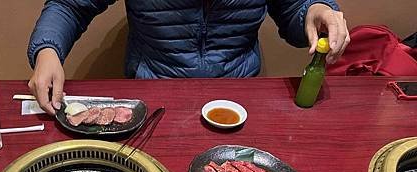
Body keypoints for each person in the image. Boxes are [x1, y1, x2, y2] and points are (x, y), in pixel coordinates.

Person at [27, 1, 350, 115]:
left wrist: (317, 10)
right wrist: (47, 52)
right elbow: (69, 5)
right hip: (154, 91)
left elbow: (296, 10)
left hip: (238, 92)